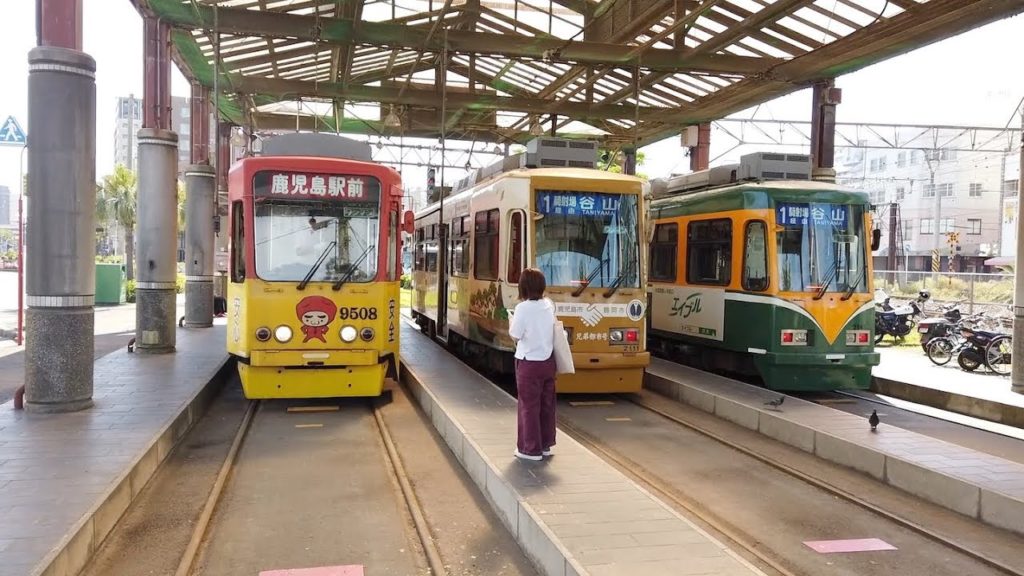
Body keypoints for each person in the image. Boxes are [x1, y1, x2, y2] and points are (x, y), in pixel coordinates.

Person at [508, 268, 557, 461]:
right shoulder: (549, 305)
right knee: (546, 405)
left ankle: (530, 449)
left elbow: (516, 334)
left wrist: (512, 321)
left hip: (529, 364)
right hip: (548, 362)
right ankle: (545, 445)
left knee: (528, 406)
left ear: (524, 287)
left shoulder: (523, 308)